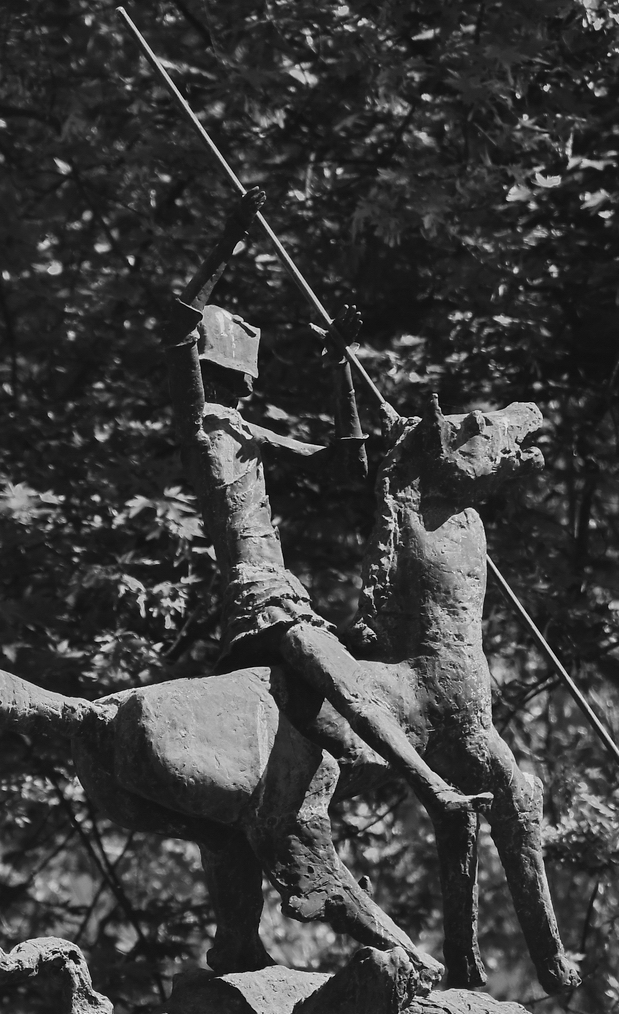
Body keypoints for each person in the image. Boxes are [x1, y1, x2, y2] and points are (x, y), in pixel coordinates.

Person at [164, 187, 476, 816]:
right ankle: (431, 787)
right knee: (347, 679)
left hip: (285, 589)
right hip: (258, 596)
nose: (243, 390)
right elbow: (179, 322)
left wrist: (337, 364)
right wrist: (232, 235)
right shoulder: (202, 425)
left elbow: (347, 458)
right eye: (234, 378)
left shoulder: (247, 432)